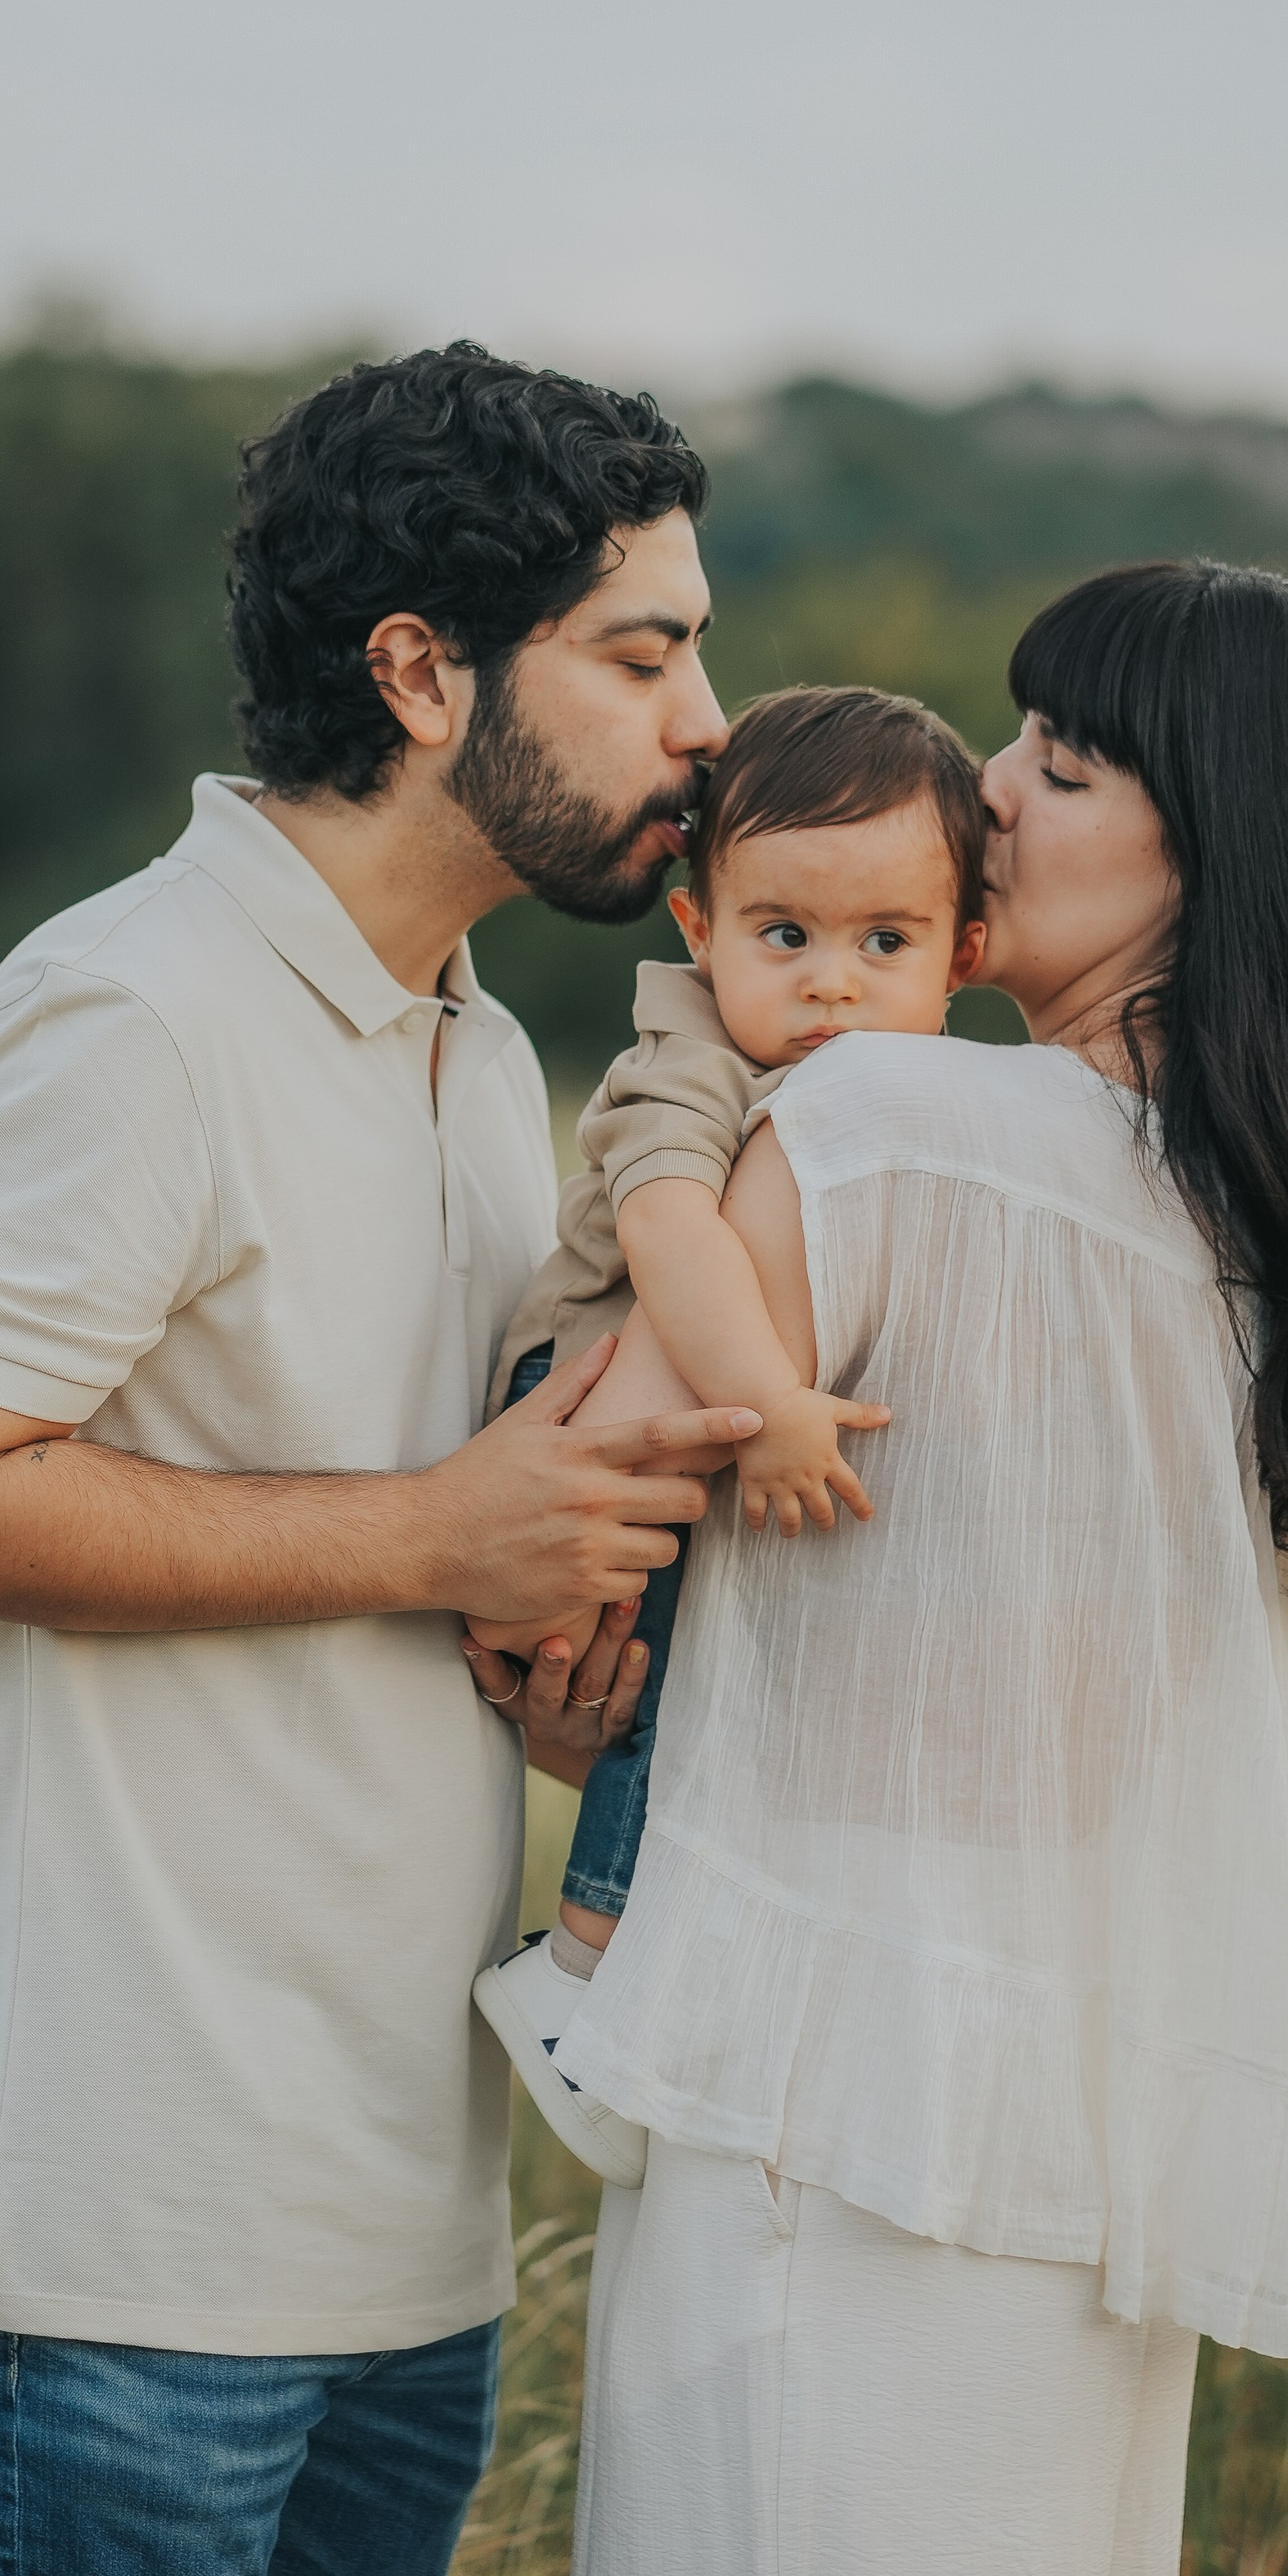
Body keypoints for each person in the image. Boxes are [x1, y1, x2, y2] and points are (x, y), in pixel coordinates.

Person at [469, 561, 1288, 2576]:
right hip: (1072, 2146)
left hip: (824, 2132)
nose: (991, 785)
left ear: (1213, 843)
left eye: (1064, 759)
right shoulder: (1287, 1230)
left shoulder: (893, 1128)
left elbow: (563, 1509)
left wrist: (560, 1670)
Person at [0, 342, 765, 2576]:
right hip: (119, 2208)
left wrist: (532, 1642)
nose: (703, 720)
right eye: (638, 649)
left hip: (391, 2195)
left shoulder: (474, 1048)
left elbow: (393, 1556)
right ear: (415, 665)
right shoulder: (134, 1012)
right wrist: (426, 1526)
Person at [469, 686, 987, 2181]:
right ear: (699, 934)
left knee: (705, 1680)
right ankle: (583, 1969)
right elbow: (672, 1233)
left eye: (881, 945)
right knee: (673, 1678)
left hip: (704, 1409)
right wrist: (765, 1415)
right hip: (576, 1413)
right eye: (785, 938)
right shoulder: (685, 1062)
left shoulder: (908, 1089)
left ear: (959, 956)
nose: (830, 986)